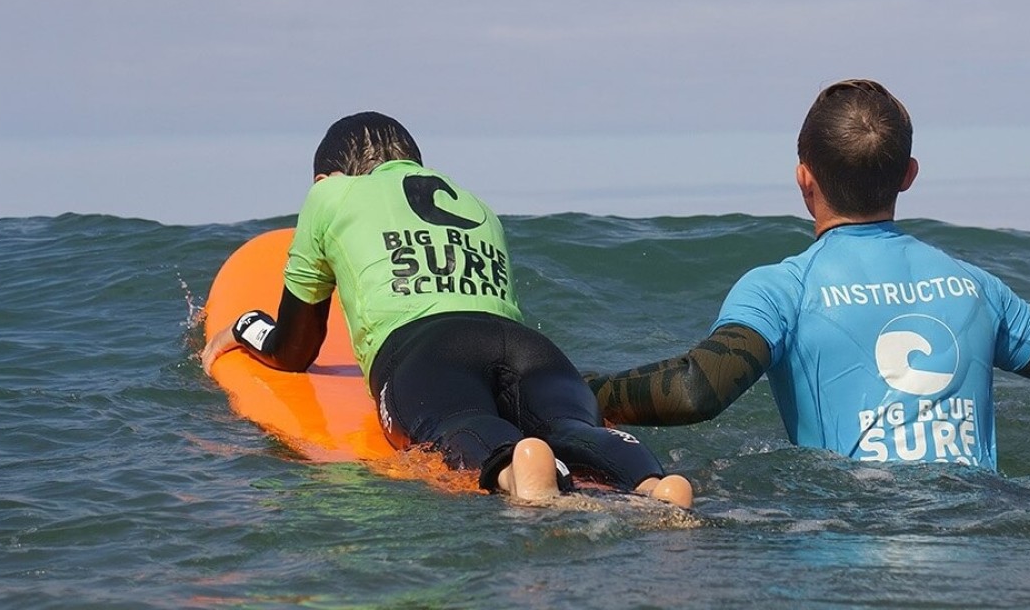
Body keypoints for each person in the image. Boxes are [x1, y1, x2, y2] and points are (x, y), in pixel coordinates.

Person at [587, 79, 1030, 470]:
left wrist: (576, 391)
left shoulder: (783, 290)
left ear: (804, 178)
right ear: (909, 175)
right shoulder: (978, 288)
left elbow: (693, 392)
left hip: (849, 532)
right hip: (980, 528)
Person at [202, 111, 692, 507]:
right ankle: (654, 486)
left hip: (427, 354)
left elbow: (294, 348)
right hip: (531, 351)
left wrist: (245, 326)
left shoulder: (330, 194)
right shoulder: (475, 204)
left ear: (324, 176)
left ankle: (516, 474)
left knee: (458, 424)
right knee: (572, 428)